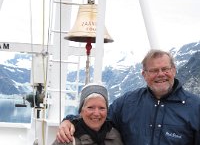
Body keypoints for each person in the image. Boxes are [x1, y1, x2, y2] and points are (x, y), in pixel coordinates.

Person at [56, 49, 200, 145]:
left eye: (165, 69)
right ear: (144, 75)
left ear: (174, 70)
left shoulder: (195, 107)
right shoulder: (128, 102)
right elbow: (97, 117)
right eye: (154, 70)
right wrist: (69, 120)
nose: (160, 74)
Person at [53, 83, 123, 145]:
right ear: (81, 111)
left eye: (102, 108)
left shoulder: (115, 136)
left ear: (107, 111)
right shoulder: (66, 138)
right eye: (90, 108)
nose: (96, 113)